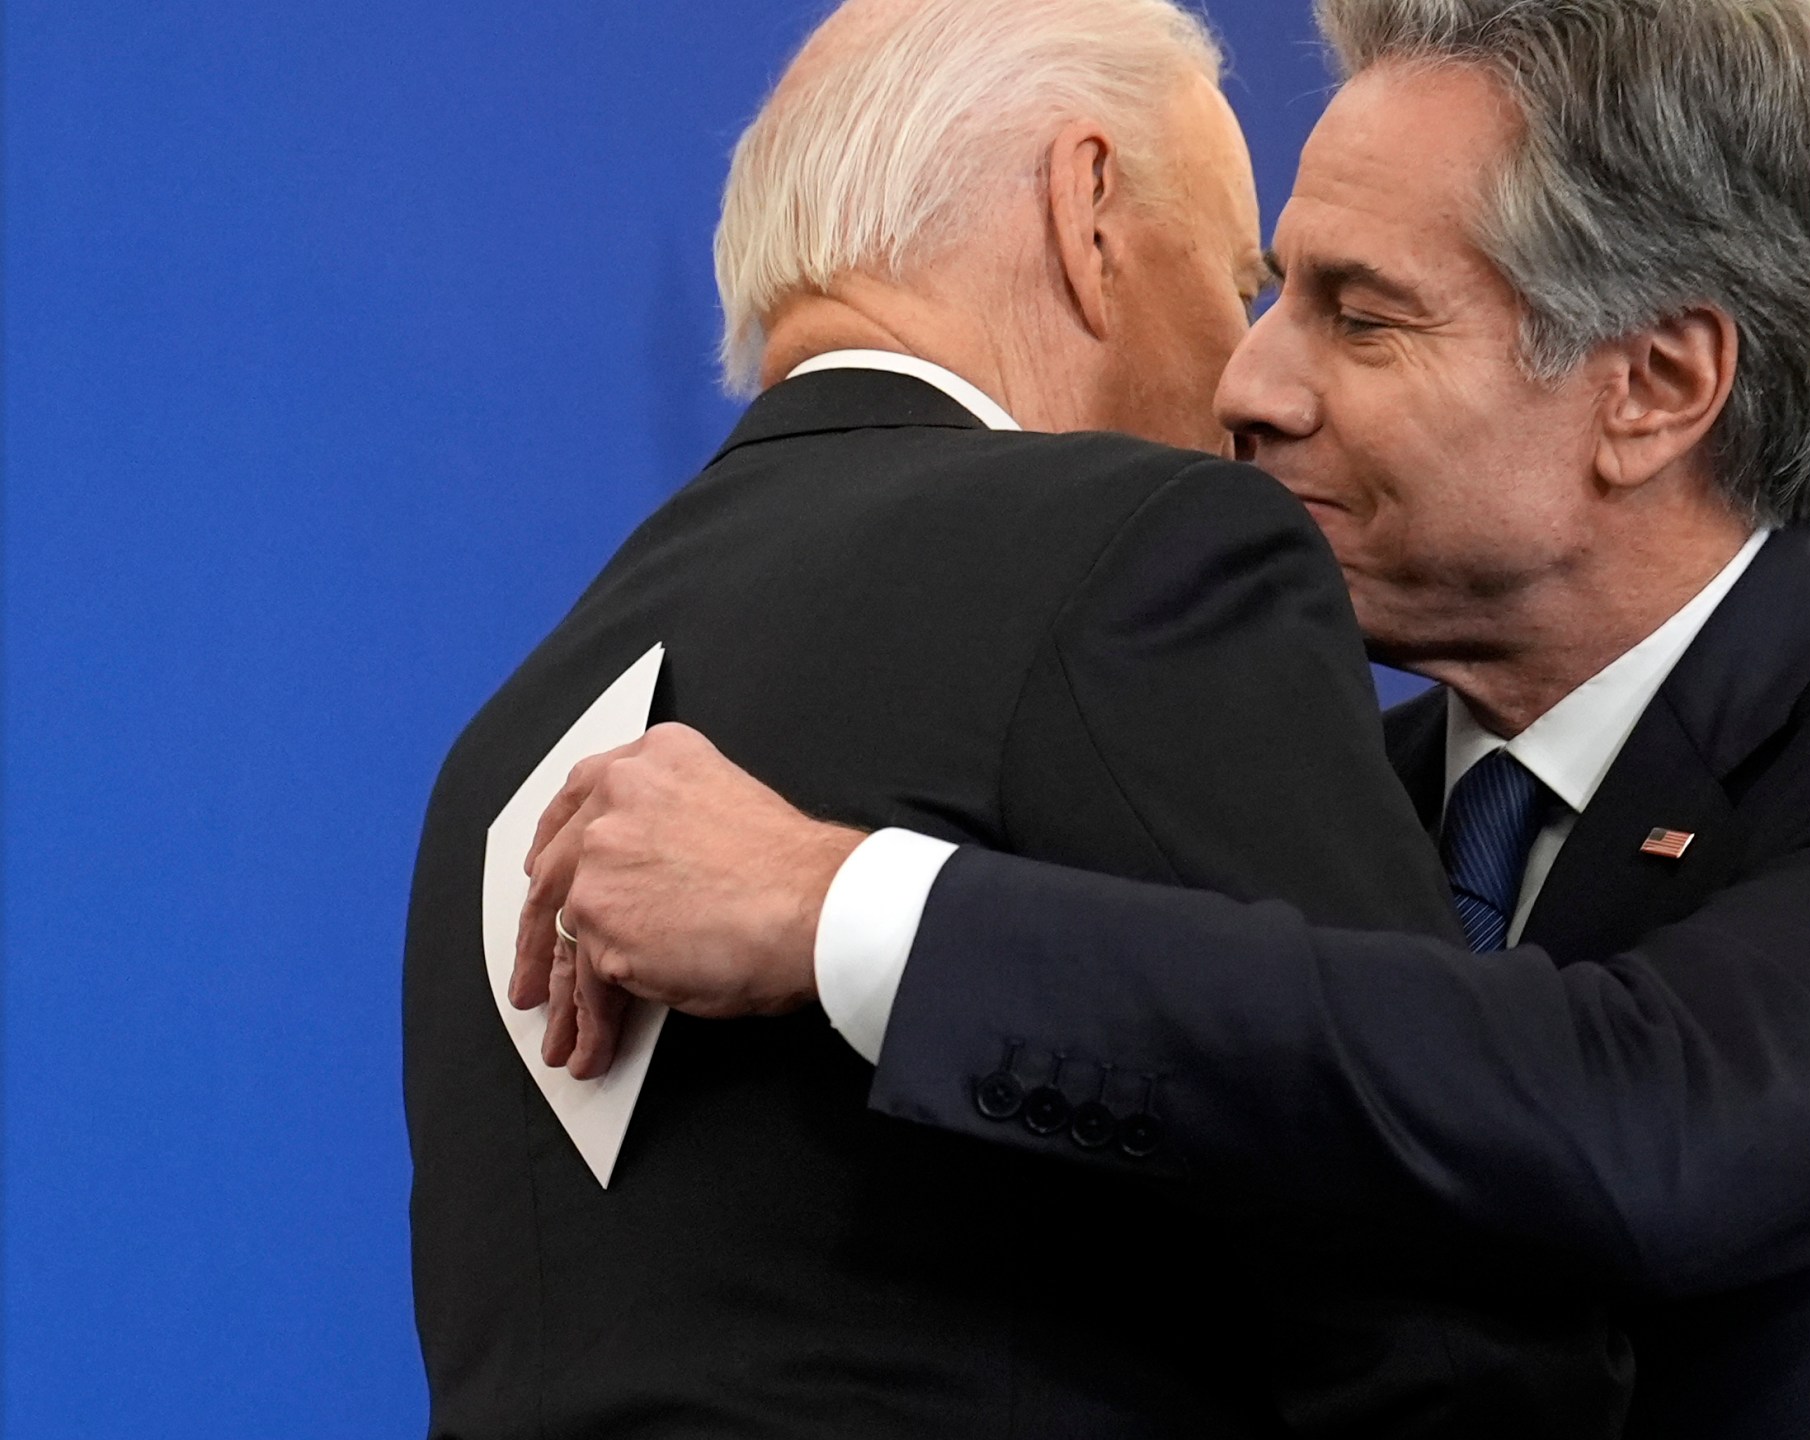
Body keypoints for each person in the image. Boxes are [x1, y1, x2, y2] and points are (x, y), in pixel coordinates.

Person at [523, 1, 1810, 1437]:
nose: (1249, 384)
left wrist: (847, 908)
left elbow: (1645, 1131)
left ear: (1654, 388)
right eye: (1274, 293)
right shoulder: (1316, 791)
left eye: (1359, 315)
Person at [404, 0, 1625, 1434]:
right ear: (1087, 205)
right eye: (1239, 279)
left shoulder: (507, 746)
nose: (1247, 383)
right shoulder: (1143, 550)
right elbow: (1430, 1216)